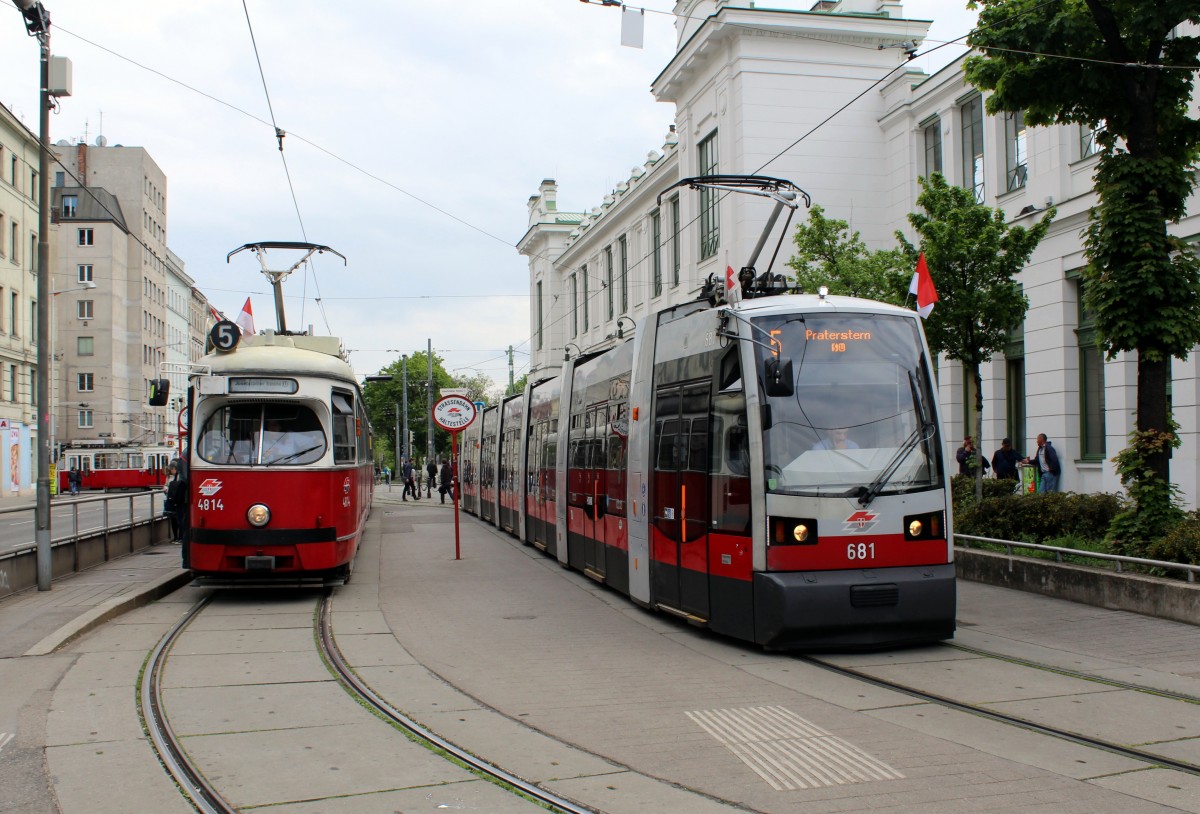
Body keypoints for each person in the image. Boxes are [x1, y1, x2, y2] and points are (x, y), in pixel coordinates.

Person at [164, 462, 184, 542]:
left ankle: (180, 537)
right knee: (173, 520)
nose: (170, 471)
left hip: (177, 501)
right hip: (172, 500)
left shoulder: (180, 476)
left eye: (171, 469)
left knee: (179, 519)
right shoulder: (170, 477)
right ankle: (176, 536)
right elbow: (166, 485)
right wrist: (165, 488)